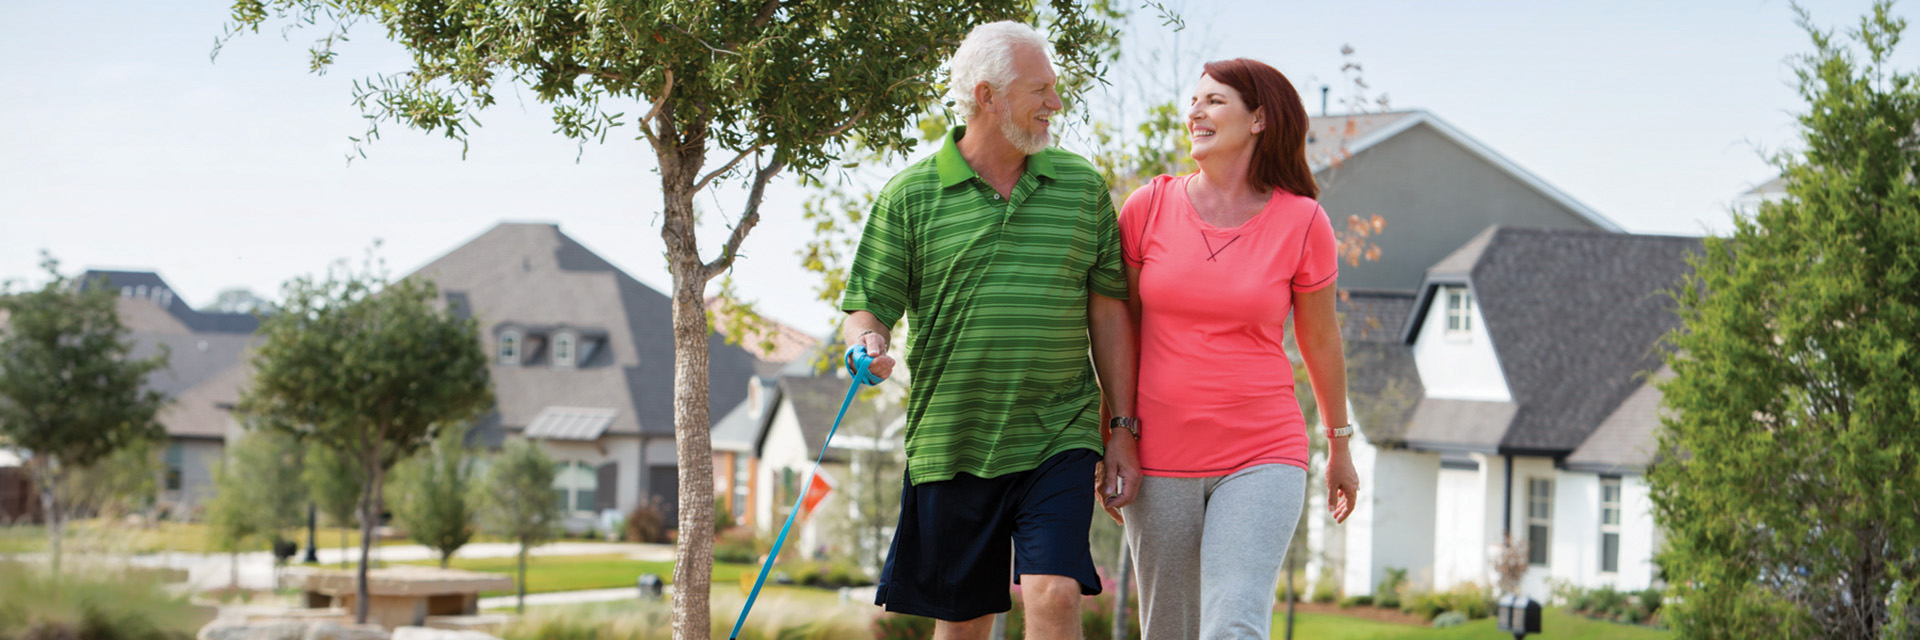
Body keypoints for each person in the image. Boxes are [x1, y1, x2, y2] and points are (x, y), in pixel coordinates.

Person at [839, 20, 1142, 640]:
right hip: (954, 439)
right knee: (965, 624)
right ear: (987, 96)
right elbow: (867, 305)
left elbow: (1110, 311)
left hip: (1059, 430)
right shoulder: (910, 196)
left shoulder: (1081, 188)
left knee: (1055, 593)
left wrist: (1122, 428)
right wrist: (864, 345)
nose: (1056, 104)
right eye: (1041, 90)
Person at [1114, 58, 1360, 640]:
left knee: (1234, 622)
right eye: (1194, 100)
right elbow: (1118, 328)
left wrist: (1339, 444)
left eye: (1214, 100)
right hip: (1159, 453)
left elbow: (1320, 339)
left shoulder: (1303, 222)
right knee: (1168, 629)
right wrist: (1115, 434)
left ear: (1259, 119)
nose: (1195, 111)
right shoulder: (1146, 208)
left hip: (1262, 451)